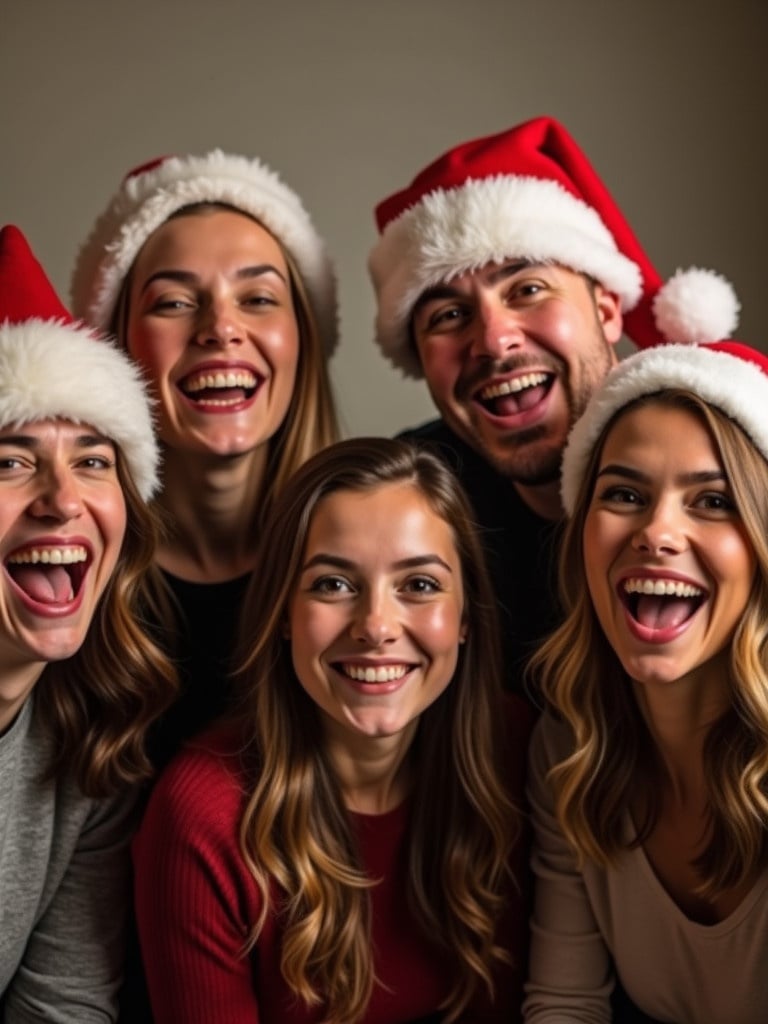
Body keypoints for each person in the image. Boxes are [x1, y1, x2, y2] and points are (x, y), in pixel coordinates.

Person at [133, 437, 533, 1023]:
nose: (376, 626)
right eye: (333, 584)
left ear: (466, 617)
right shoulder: (203, 814)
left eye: (419, 585)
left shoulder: (524, 753)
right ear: (284, 615)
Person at [368, 114, 740, 692]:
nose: (493, 340)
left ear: (609, 307)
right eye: (447, 316)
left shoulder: (735, 449)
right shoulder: (416, 503)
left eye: (528, 289)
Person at [524, 339, 768, 1023]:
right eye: (625, 494)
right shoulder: (568, 745)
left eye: (712, 501)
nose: (657, 532)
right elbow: (565, 1003)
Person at [70, 149, 340, 766]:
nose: (220, 327)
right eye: (173, 302)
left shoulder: (373, 563)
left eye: (259, 299)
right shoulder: (66, 573)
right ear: (117, 348)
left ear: (302, 336)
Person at [0, 224, 175, 1020]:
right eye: (11, 459)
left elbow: (63, 1007)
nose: (62, 499)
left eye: (94, 460)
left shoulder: (93, 745)